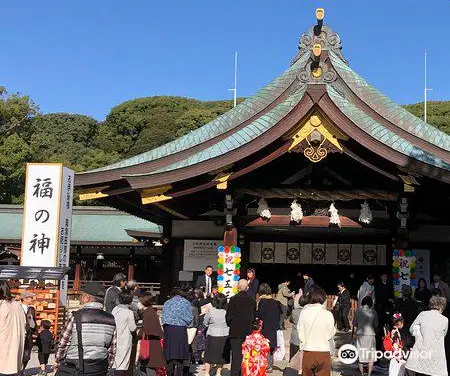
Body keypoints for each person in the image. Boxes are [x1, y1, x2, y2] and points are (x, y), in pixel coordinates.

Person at [55, 282, 117, 376]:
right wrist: (107, 367)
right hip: (99, 367)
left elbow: (63, 343)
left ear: (86, 297)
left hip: (75, 367)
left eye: (82, 296)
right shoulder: (111, 319)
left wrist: (58, 362)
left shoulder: (76, 316)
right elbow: (112, 349)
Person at [405, 296, 448, 376]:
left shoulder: (422, 314)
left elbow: (411, 329)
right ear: (442, 307)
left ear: (431, 305)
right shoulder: (445, 320)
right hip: (436, 354)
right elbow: (444, 335)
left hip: (421, 351)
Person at [298, 286, 335, 376]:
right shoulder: (328, 314)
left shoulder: (303, 313)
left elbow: (300, 331)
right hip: (323, 351)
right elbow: (331, 333)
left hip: (308, 351)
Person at [226, 279, 256, 376]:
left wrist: (231, 323)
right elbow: (254, 316)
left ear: (237, 287)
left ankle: (235, 373)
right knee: (246, 355)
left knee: (236, 355)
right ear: (247, 288)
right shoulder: (252, 300)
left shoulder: (233, 299)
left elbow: (228, 316)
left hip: (235, 330)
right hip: (247, 331)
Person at [162, 288, 194, 376]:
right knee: (180, 355)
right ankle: (179, 373)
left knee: (169, 355)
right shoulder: (186, 303)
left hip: (169, 329)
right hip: (180, 330)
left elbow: (163, 318)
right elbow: (190, 318)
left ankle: (169, 373)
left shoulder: (167, 303)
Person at [0, 280, 26, 376]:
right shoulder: (18, 305)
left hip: (2, 352)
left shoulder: (2, 306)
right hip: (15, 353)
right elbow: (24, 325)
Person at [138, 292, 166, 376]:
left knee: (149, 369)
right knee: (145, 368)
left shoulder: (149, 314)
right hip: (151, 345)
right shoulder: (149, 312)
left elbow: (149, 331)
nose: (138, 304)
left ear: (144, 302)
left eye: (139, 301)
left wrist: (138, 332)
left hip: (151, 346)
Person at [203, 293, 230, 376]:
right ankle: (218, 373)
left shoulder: (211, 311)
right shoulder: (227, 312)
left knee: (208, 355)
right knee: (222, 355)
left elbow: (205, 322)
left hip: (212, 334)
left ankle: (207, 372)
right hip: (224, 335)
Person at [112, 288, 137, 375]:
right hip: (125, 340)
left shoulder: (115, 309)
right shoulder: (128, 312)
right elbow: (132, 328)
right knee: (123, 363)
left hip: (115, 338)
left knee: (115, 362)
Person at [257, 283, 282, 372]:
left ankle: (263, 365)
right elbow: (279, 315)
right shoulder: (275, 302)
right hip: (273, 327)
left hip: (264, 327)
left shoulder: (261, 302)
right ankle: (270, 366)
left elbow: (259, 315)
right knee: (271, 347)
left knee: (263, 346)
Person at [353, 296, 378, 376]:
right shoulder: (373, 312)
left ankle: (362, 373)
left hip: (360, 335)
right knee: (371, 356)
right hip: (371, 335)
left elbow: (354, 323)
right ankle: (369, 374)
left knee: (361, 355)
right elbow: (376, 324)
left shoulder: (358, 311)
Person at [21, 290, 37, 370]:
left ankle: (23, 370)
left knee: (27, 355)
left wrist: (35, 331)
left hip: (29, 335)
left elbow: (34, 321)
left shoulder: (31, 309)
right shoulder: (18, 308)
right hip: (19, 334)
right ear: (25, 299)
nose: (32, 299)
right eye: (31, 298)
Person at [290, 295, 306, 362]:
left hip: (295, 334)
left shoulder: (294, 311)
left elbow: (291, 320)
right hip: (304, 335)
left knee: (293, 356)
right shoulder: (308, 312)